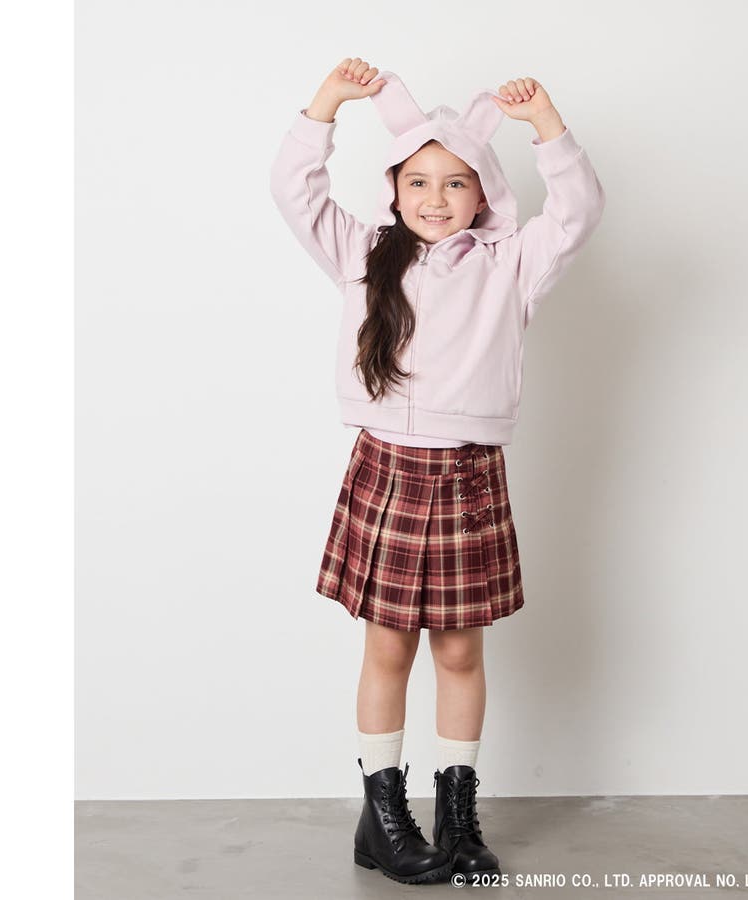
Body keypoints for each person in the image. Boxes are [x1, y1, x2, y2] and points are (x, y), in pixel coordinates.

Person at [270, 57, 606, 885]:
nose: (434, 197)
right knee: (388, 650)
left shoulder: (512, 263)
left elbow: (579, 209)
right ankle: (382, 818)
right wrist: (326, 104)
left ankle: (458, 819)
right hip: (386, 471)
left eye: (455, 183)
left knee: (459, 654)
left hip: (469, 480)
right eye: (417, 181)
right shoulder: (362, 253)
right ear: (393, 188)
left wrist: (547, 125)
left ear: (483, 193)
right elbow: (294, 191)